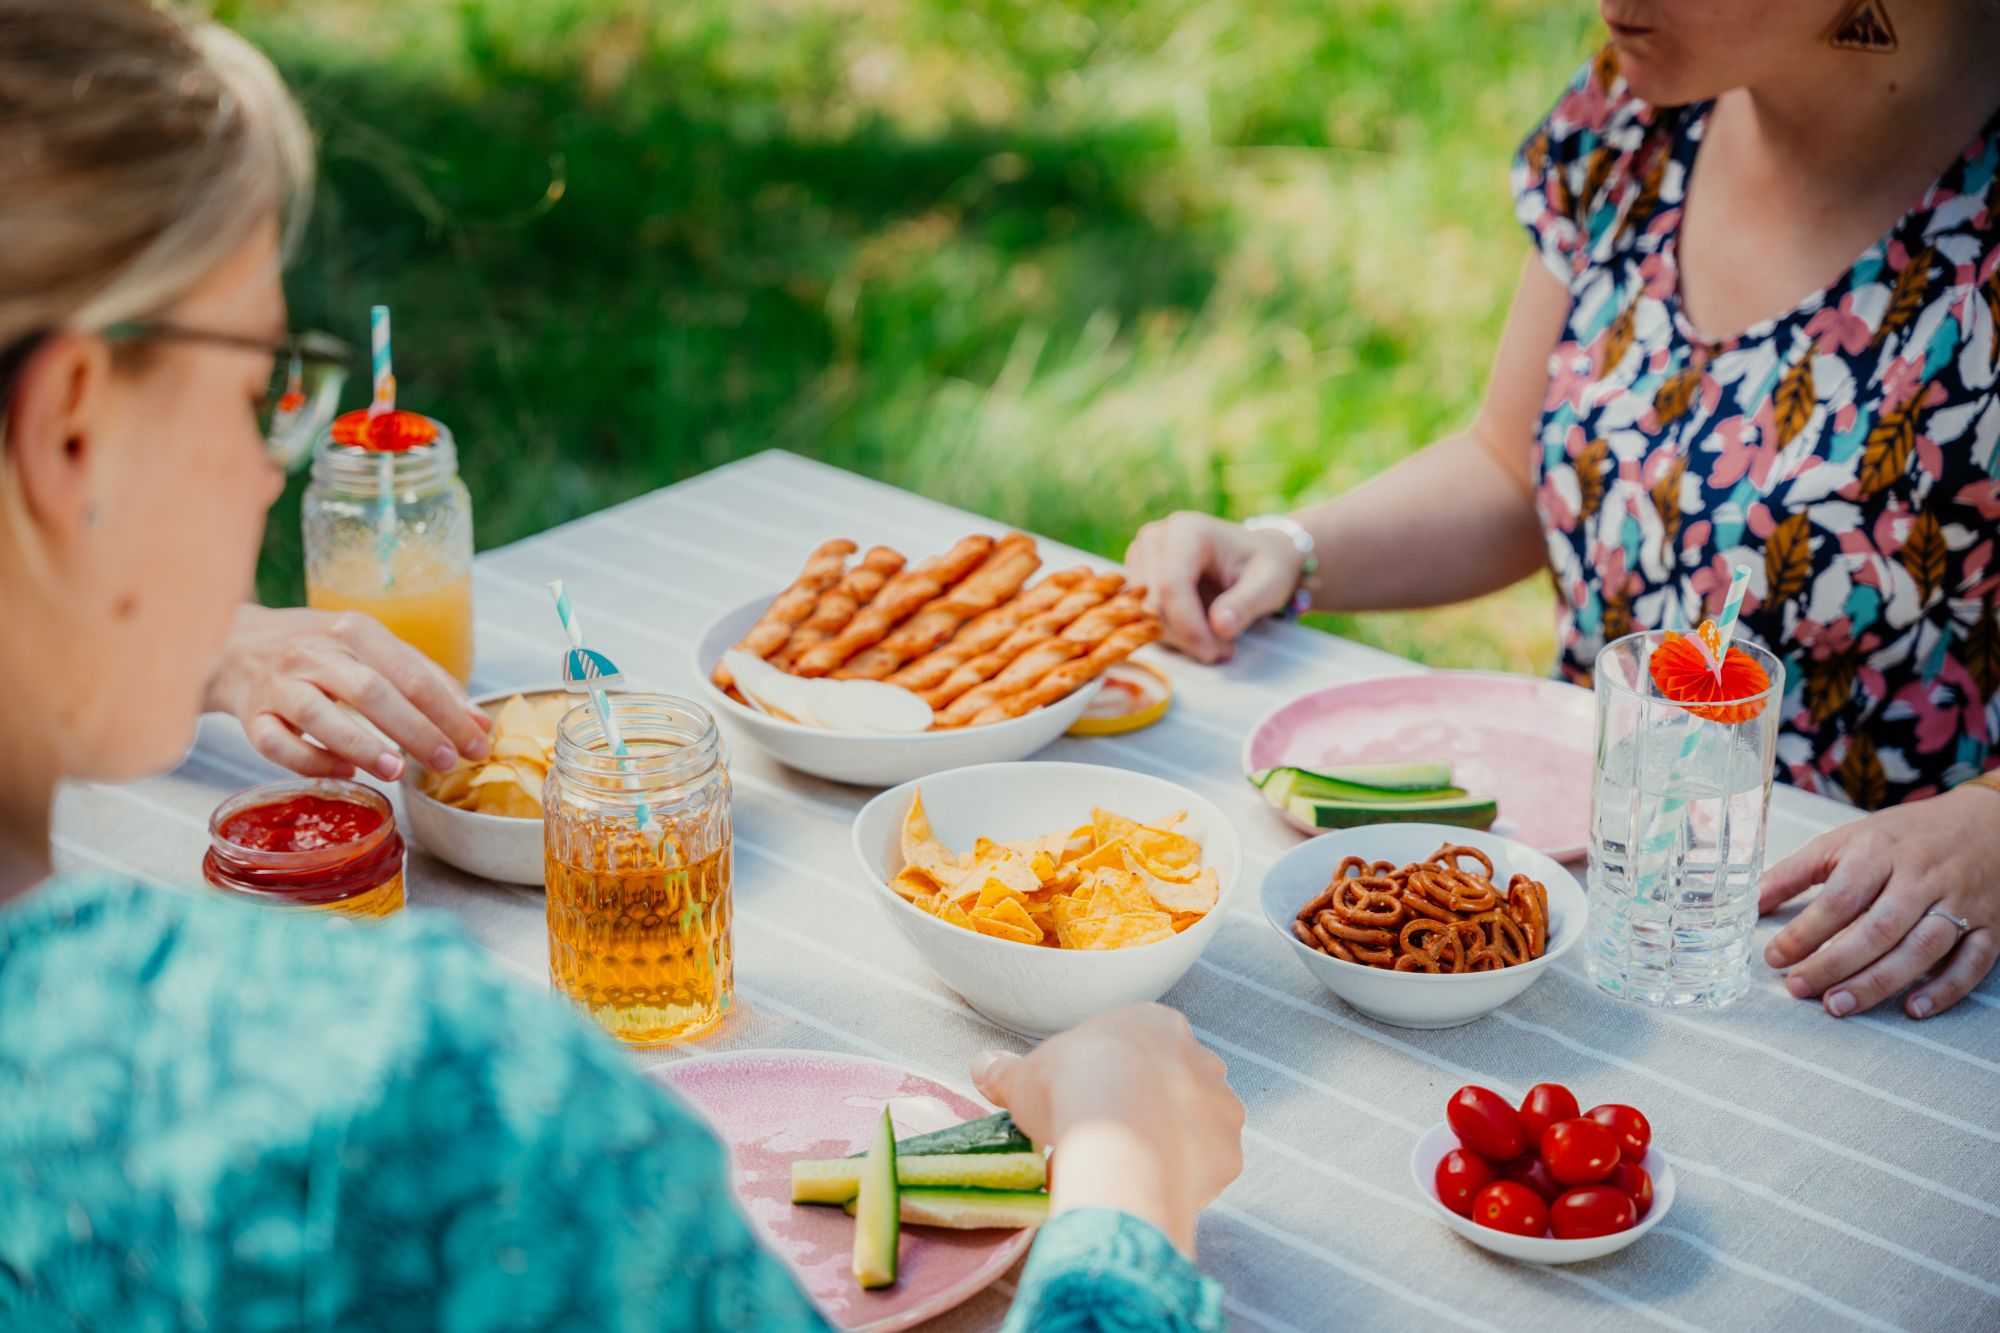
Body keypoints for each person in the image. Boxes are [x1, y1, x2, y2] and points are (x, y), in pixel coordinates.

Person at [0, 4, 1242, 1328]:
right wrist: (1126, 1173)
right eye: (260, 390)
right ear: (72, 431)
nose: (270, 466)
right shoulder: (413, 1109)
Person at [1128, 0, 2000, 1020]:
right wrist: (1284, 546)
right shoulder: (1634, 111)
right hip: (1583, 895)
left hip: (1875, 952)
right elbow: (1516, 466)